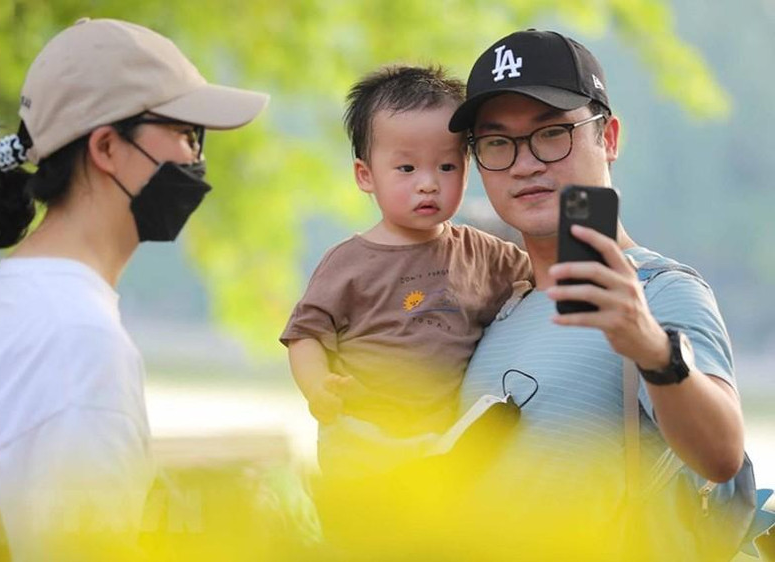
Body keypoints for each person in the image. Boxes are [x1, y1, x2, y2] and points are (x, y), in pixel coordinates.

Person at [447, 29, 747, 560]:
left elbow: (722, 455)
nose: (525, 164)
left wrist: (652, 347)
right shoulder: (500, 306)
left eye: (552, 133)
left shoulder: (660, 293)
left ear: (607, 138)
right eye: (497, 143)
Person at [0, 17, 268, 560]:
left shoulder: (17, 299)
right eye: (186, 133)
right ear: (107, 148)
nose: (196, 159)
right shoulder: (75, 341)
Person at [280, 65, 531, 477]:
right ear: (366, 175)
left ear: (468, 170)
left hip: (436, 424)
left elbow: (541, 272)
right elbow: (304, 334)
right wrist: (317, 386)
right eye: (407, 169)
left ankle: (447, 458)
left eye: (447, 168)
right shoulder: (349, 262)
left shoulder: (483, 254)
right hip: (361, 424)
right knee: (368, 456)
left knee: (440, 475)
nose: (429, 184)